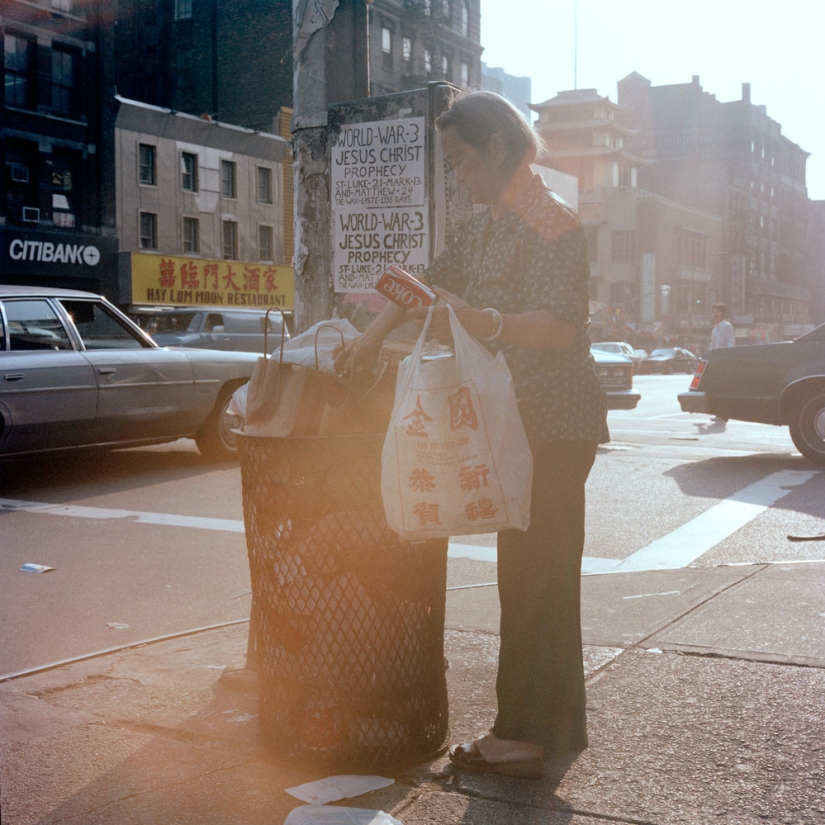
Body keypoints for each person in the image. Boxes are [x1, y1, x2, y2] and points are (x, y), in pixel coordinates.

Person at [334, 90, 609, 779]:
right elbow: (422, 284)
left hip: (554, 420)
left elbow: (559, 327)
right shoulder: (486, 224)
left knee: (534, 574)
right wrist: (370, 336)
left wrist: (482, 319)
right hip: (514, 420)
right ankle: (554, 726)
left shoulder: (551, 221)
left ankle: (521, 735)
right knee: (533, 574)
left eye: (460, 158)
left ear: (495, 147)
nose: (455, 173)